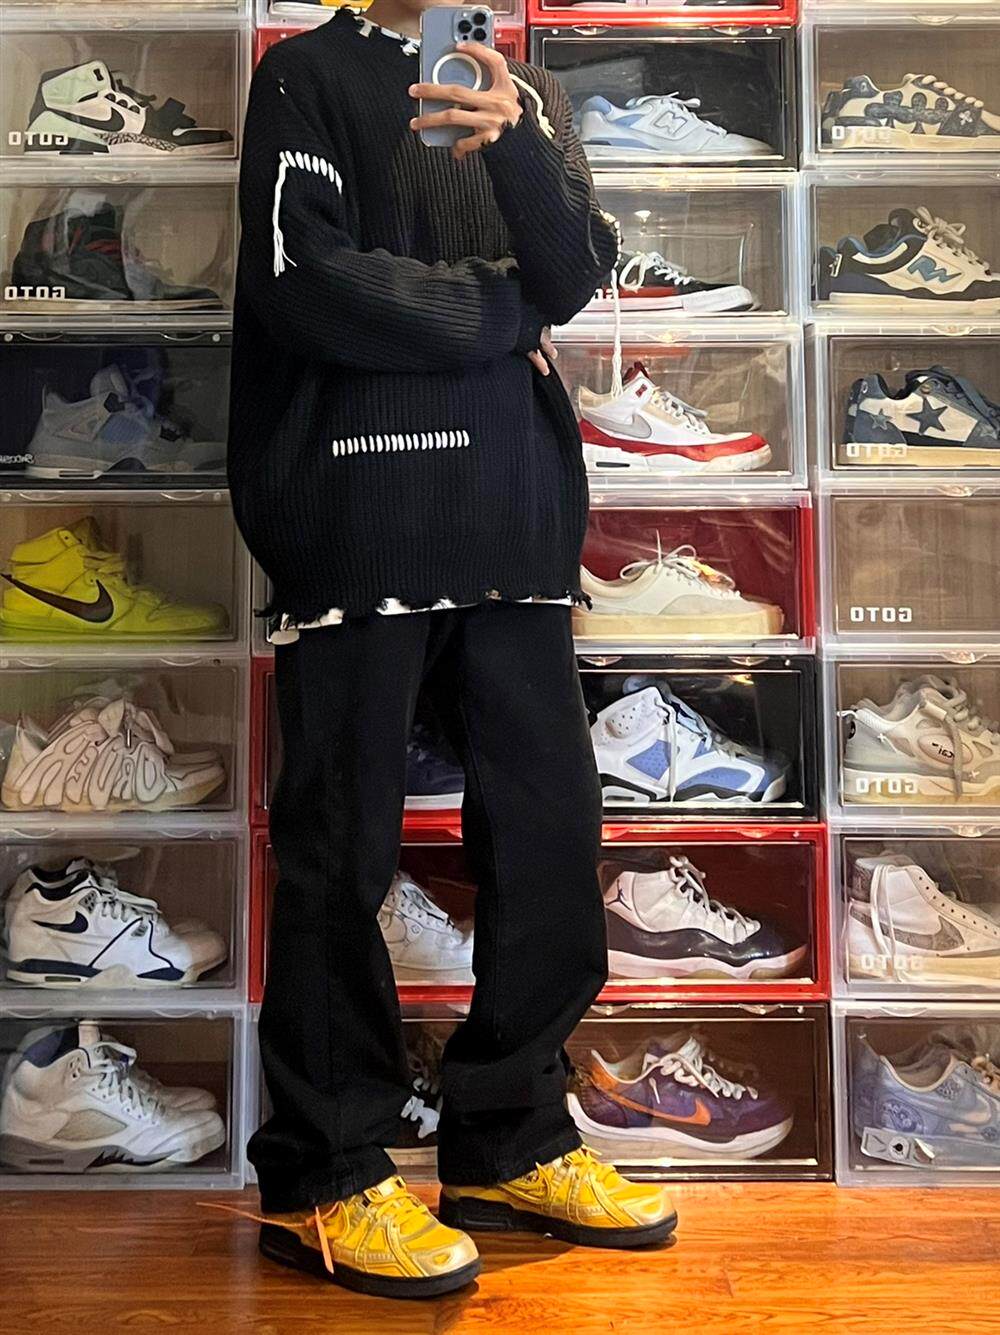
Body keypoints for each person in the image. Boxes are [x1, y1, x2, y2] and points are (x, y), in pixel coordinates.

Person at [228, 0, 677, 1299]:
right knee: (340, 852)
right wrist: (496, 313)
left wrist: (516, 145)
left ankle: (511, 1140)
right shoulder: (303, 77)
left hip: (515, 518)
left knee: (548, 838)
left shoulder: (525, 94)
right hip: (356, 511)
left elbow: (573, 274)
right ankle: (323, 1174)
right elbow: (303, 282)